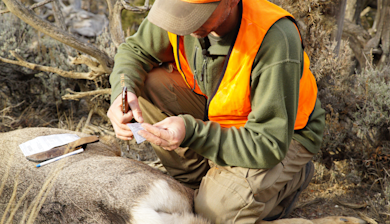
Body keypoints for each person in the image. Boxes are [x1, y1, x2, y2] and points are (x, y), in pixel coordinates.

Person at [107, 0, 325, 223]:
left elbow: (269, 143)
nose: (185, 23)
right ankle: (202, 183)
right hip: (218, 116)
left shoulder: (273, 36)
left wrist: (191, 132)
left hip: (281, 137)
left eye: (198, 14)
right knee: (149, 83)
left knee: (213, 214)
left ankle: (290, 181)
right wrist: (123, 91)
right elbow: (135, 50)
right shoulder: (179, 13)